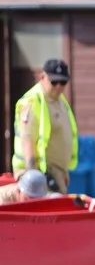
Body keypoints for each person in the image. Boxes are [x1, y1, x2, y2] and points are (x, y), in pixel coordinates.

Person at [12, 59, 78, 193]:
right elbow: (27, 141)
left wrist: (64, 171)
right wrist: (34, 178)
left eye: (63, 82)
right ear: (42, 77)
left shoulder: (59, 100)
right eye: (54, 82)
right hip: (41, 176)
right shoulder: (32, 101)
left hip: (55, 174)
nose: (59, 86)